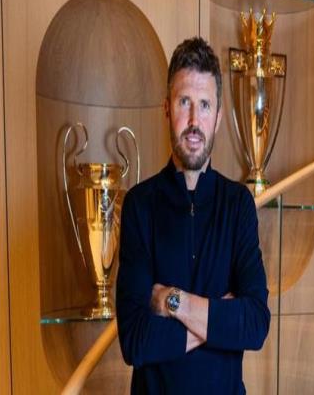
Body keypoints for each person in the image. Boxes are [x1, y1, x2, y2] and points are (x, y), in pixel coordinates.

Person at [116, 37, 270, 394]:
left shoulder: (238, 205)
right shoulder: (140, 205)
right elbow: (135, 341)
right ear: (167, 109)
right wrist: (219, 320)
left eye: (204, 105)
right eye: (184, 102)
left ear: (218, 118)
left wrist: (172, 301)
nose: (193, 121)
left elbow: (254, 325)